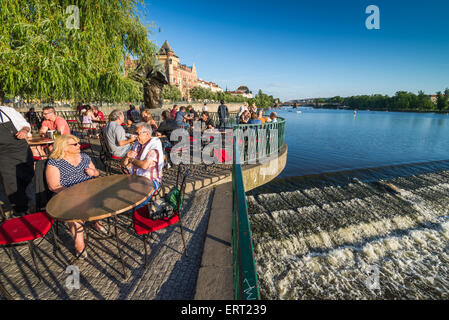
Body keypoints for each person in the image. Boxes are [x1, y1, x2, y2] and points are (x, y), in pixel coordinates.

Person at [46, 134, 103, 256]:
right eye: (75, 144)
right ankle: (80, 246)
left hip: (88, 191)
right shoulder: (55, 162)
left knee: (103, 199)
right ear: (64, 147)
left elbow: (96, 173)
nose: (79, 146)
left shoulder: (85, 157)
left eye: (78, 143)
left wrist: (93, 172)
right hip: (65, 194)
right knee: (75, 215)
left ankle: (96, 222)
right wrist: (74, 194)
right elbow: (54, 186)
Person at [0, 105, 34, 214]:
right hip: (3, 153)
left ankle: (34, 204)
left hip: (20, 149)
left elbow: (25, 125)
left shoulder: (7, 110)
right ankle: (20, 209)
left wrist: (24, 130)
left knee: (28, 176)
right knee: (10, 182)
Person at [122, 123, 164, 209]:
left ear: (147, 134)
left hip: (151, 180)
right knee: (118, 191)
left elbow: (144, 165)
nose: (135, 136)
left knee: (137, 203)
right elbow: (124, 164)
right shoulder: (137, 144)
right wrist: (127, 156)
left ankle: (136, 211)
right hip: (136, 177)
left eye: (138, 133)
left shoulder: (154, 146)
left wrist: (131, 160)